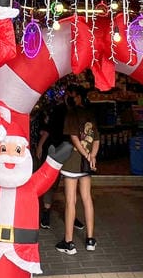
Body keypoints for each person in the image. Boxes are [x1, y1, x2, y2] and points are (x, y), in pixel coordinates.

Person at [55, 87, 98, 254]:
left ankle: (69, 243)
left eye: (72, 95)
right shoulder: (91, 113)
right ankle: (90, 240)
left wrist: (86, 155)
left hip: (73, 162)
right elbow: (96, 139)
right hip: (86, 164)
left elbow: (73, 137)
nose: (70, 97)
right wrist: (91, 156)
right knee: (87, 199)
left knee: (70, 201)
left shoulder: (71, 114)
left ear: (78, 97)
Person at [36, 89, 68, 229]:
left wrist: (40, 145)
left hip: (53, 150)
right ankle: (65, 213)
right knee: (61, 182)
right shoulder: (64, 110)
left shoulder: (56, 110)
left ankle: (47, 212)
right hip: (64, 149)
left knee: (50, 180)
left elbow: (47, 131)